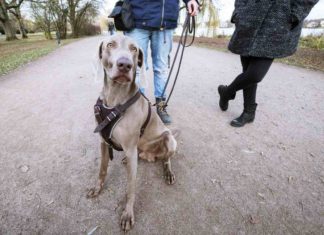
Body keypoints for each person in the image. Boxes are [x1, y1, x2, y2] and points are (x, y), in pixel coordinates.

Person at [218, 0, 318, 127]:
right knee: (247, 69)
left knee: (255, 74)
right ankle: (249, 112)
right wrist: (238, 13)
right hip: (248, 19)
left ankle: (226, 92)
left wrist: (295, 13)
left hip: (277, 20)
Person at [125, 0, 199, 124]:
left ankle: (161, 105)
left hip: (165, 21)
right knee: (136, 69)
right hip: (137, 18)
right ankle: (136, 107)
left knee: (161, 68)